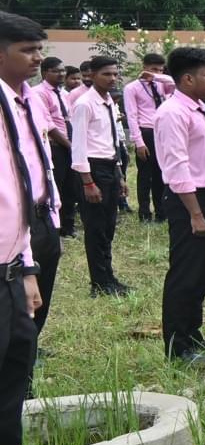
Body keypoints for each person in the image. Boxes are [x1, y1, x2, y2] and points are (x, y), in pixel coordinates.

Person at [0, 13, 71, 445]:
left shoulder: (18, 104)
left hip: (8, 274)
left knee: (6, 417)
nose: (37, 59)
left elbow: (16, 195)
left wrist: (24, 267)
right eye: (26, 50)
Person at [154, 47, 205, 364]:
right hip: (187, 202)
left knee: (200, 274)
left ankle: (193, 334)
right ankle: (178, 346)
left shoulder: (196, 109)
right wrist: (196, 213)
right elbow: (178, 167)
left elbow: (203, 161)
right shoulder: (173, 113)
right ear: (187, 79)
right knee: (185, 274)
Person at [1, 22, 61, 340]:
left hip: (40, 215)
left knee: (38, 295)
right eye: (27, 50)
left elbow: (40, 158)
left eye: (39, 49)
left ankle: (31, 345)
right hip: (11, 222)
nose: (37, 57)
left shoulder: (32, 100)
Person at [70, 56, 129, 297]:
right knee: (95, 228)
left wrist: (120, 175)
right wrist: (88, 182)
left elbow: (111, 141)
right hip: (93, 169)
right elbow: (79, 146)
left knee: (108, 225)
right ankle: (99, 283)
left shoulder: (109, 102)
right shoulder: (85, 104)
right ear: (92, 75)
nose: (112, 78)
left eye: (115, 74)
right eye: (106, 74)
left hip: (110, 166)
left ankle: (109, 277)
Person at [122, 52, 170, 223]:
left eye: (160, 70)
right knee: (145, 175)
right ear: (144, 67)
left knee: (161, 173)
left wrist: (158, 77)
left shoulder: (162, 85)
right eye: (153, 69)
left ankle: (161, 211)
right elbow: (132, 116)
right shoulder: (132, 88)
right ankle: (144, 212)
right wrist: (139, 142)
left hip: (162, 131)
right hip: (146, 132)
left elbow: (175, 84)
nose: (157, 73)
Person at [35, 57, 76, 242]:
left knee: (70, 186)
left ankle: (68, 226)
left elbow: (69, 118)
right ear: (45, 72)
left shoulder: (64, 94)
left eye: (62, 71)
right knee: (56, 186)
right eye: (56, 71)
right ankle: (54, 228)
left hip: (69, 145)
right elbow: (48, 125)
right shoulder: (38, 93)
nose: (61, 74)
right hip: (54, 146)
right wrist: (69, 145)